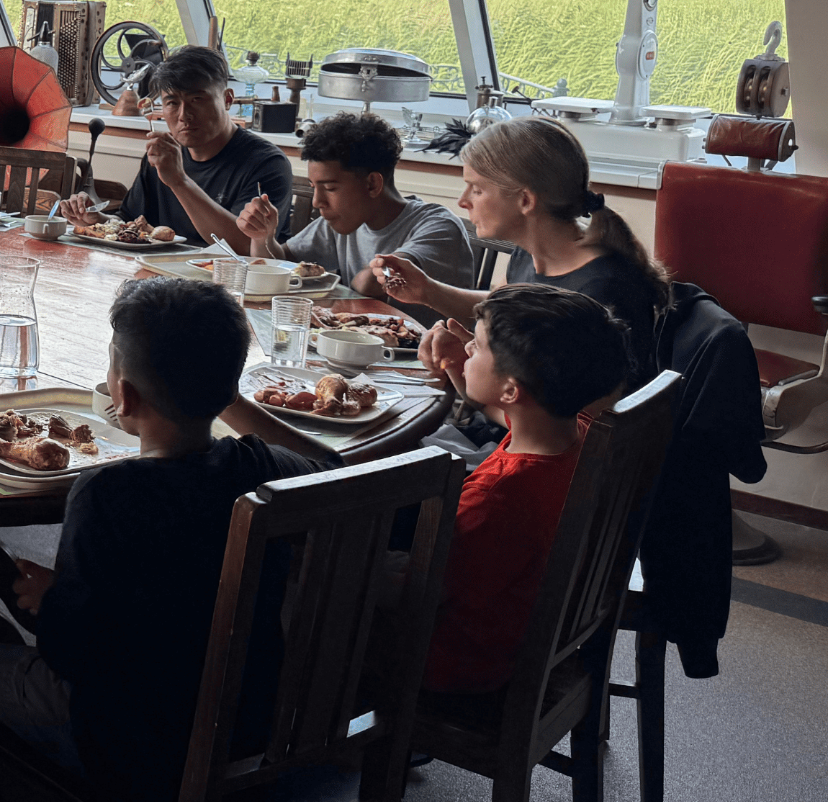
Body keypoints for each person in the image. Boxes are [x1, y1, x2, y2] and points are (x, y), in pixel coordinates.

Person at [0, 278, 338, 802]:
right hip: (252, 731)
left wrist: (55, 599)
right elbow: (331, 465)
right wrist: (227, 398)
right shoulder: (261, 467)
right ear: (229, 388)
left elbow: (71, 653)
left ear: (121, 396)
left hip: (137, 762)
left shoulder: (106, 493)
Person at [420, 285, 630, 693]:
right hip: (519, 636)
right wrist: (460, 367)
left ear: (512, 390)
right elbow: (508, 411)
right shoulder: (580, 435)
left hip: (458, 665)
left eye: (477, 346)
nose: (468, 349)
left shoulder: (496, 495)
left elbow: (426, 591)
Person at [374, 116, 667, 395]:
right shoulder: (530, 252)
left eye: (477, 190)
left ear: (525, 200)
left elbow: (568, 422)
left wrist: (462, 369)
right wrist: (427, 290)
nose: (463, 201)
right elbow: (500, 307)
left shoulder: (600, 292)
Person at [238, 111, 474, 313]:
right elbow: (280, 266)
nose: (317, 202)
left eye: (330, 188)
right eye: (314, 188)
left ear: (372, 184)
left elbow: (377, 280)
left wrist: (366, 278)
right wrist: (262, 237)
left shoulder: (438, 226)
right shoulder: (345, 221)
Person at [65, 45, 292, 253]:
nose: (184, 115)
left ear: (227, 100)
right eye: (172, 103)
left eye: (197, 100)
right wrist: (97, 220)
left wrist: (179, 182)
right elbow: (130, 221)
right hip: (158, 273)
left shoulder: (267, 163)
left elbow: (247, 248)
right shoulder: (164, 154)